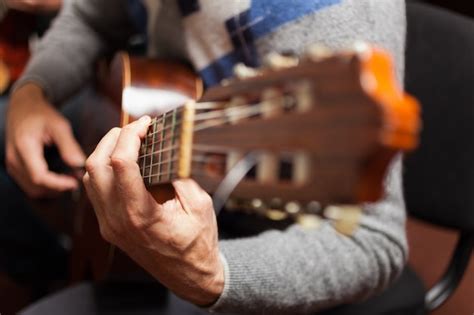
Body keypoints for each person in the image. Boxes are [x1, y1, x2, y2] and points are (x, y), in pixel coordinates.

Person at [7, 0, 408, 313]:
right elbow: (92, 16)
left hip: (242, 243)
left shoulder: (337, 14)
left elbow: (374, 242)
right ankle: (60, 257)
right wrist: (32, 93)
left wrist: (211, 274)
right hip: (150, 120)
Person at [0, 0, 67, 297]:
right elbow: (94, 16)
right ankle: (49, 267)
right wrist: (29, 92)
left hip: (100, 79)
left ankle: (51, 269)